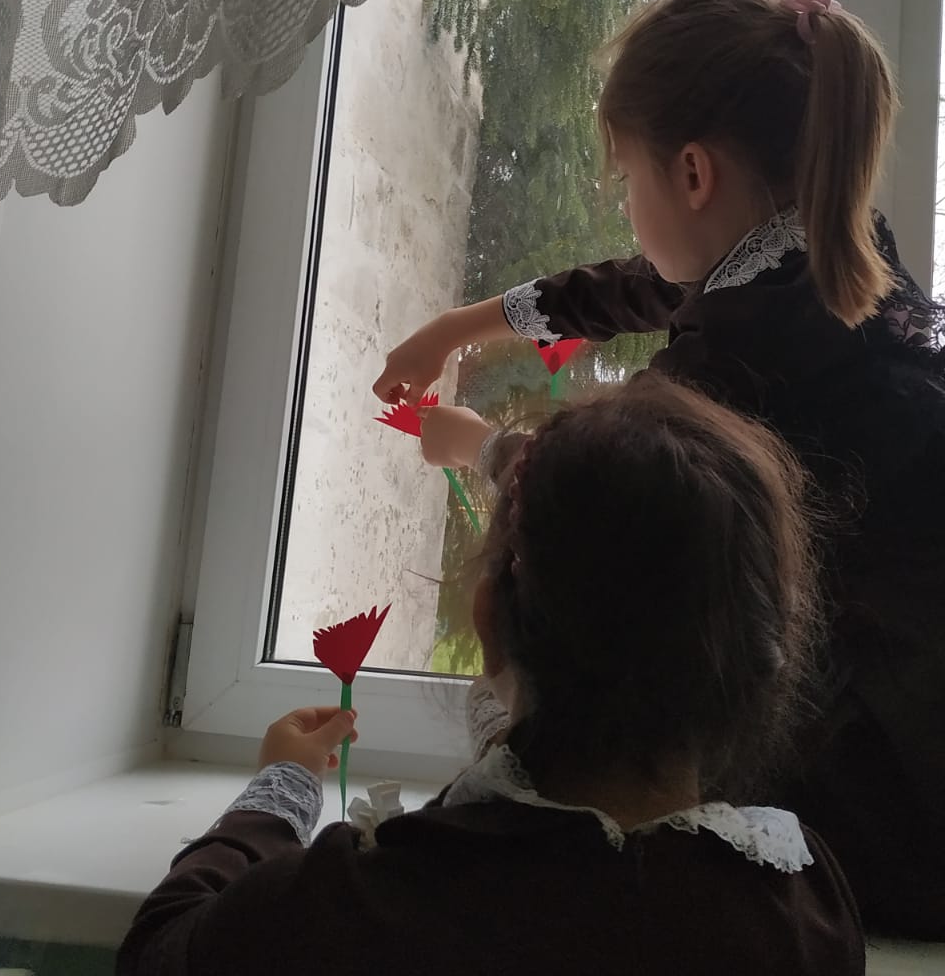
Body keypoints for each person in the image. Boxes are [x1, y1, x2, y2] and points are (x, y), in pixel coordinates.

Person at [375, 0, 945, 954]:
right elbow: (638, 285)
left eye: (625, 181)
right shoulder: (813, 252)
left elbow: (592, 484)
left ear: (692, 173)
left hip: (937, 749)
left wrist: (472, 444)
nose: (624, 207)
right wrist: (459, 326)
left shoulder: (744, 347)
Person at [118, 379, 865, 976]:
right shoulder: (800, 907)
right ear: (761, 654)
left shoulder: (359, 904)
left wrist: (277, 795)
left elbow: (162, 947)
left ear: (487, 620)